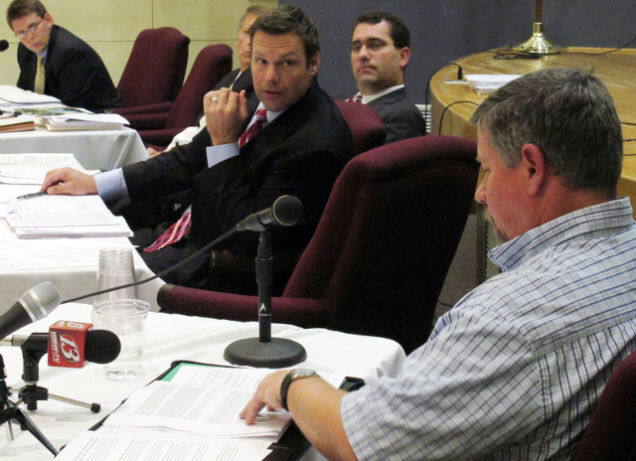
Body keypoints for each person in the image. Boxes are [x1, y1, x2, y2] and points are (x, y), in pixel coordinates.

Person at [240, 68, 636, 460]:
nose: (481, 193)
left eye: (488, 169)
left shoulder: (507, 320)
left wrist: (292, 384)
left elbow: (358, 443)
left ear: (532, 168)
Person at [41, 6, 353, 294]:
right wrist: (95, 183)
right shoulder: (253, 87)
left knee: (80, 284)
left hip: (216, 267)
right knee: (63, 253)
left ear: (313, 64)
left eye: (287, 63)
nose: (270, 77)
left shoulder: (315, 146)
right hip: (177, 230)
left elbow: (247, 236)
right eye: (262, 61)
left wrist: (223, 145)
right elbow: (187, 159)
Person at [148, 5, 268, 156]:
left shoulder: (261, 93)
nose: (250, 41)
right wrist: (167, 153)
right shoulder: (231, 77)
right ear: (237, 37)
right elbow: (200, 126)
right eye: (248, 32)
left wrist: (169, 156)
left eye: (258, 35)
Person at [7, 0, 122, 112]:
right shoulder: (25, 50)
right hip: (57, 115)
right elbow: (23, 93)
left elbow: (70, 107)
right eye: (21, 33)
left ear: (48, 20)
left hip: (101, 116)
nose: (29, 37)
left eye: (32, 27)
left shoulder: (71, 53)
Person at [347, 11, 426, 143]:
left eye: (375, 45)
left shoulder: (402, 118)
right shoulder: (344, 103)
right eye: (356, 47)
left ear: (402, 56)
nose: (362, 54)